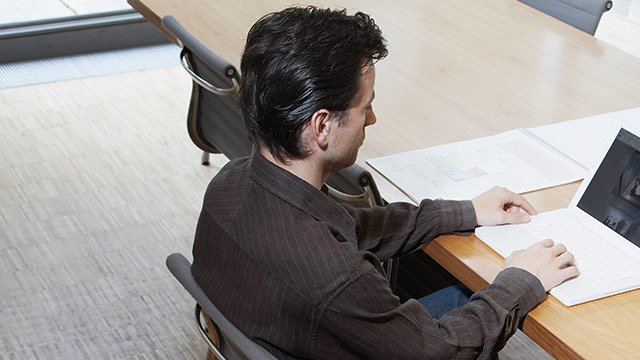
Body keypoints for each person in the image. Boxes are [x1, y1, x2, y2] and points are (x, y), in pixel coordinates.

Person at [191, 6, 578, 359]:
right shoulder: (334, 277)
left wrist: (466, 211)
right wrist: (521, 281)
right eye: (366, 106)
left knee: (472, 295)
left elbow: (350, 226)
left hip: (284, 334)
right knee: (488, 298)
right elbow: (439, 353)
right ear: (322, 126)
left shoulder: (229, 184)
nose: (372, 120)